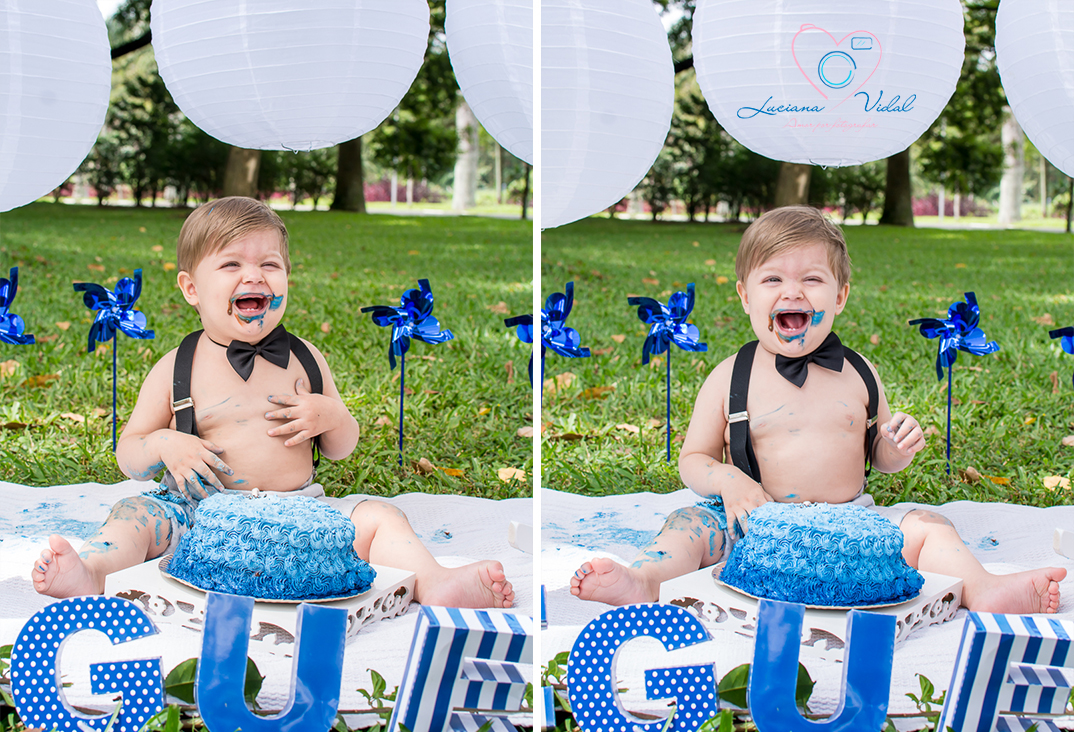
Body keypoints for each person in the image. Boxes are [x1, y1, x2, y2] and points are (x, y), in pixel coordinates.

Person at [572, 205, 1065, 614]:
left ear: (840, 296)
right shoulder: (729, 376)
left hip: (851, 523)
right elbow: (693, 459)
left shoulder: (860, 372)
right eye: (772, 279)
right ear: (745, 296)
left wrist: (896, 448)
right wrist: (729, 481)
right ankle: (645, 580)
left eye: (812, 279)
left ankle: (982, 588)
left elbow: (879, 455)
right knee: (688, 525)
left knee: (929, 525)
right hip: (754, 525)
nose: (792, 292)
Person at [32, 197, 513, 608]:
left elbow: (342, 447)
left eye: (269, 265)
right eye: (231, 265)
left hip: (298, 512)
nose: (253, 276)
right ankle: (91, 572)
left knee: (381, 517)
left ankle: (433, 581)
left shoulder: (305, 359)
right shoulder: (176, 365)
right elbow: (129, 454)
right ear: (191, 288)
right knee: (133, 515)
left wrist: (331, 416)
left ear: (286, 278)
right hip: (197, 514)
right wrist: (163, 443)